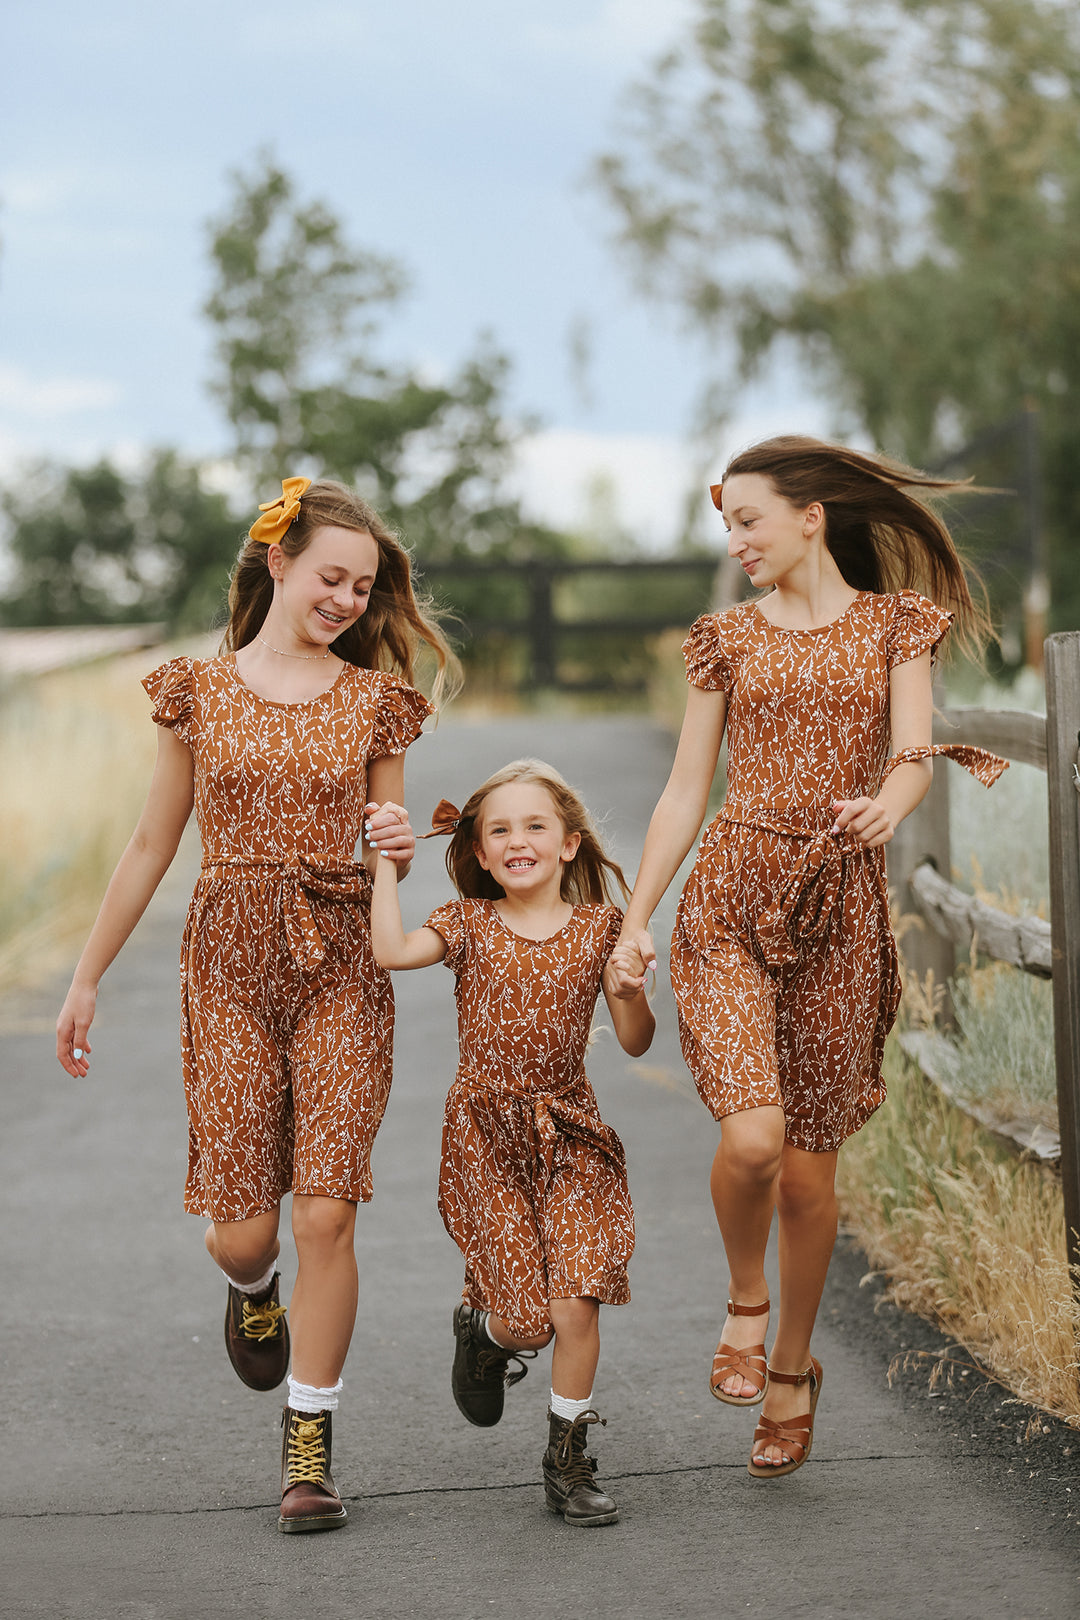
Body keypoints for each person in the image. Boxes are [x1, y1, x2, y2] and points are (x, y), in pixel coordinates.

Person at [55, 476, 458, 1533]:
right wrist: (87, 975)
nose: (348, 600)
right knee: (243, 1233)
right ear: (277, 562)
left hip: (341, 965)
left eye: (365, 588)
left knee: (330, 1205)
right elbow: (152, 844)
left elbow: (391, 845)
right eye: (332, 577)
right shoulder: (194, 689)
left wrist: (396, 851)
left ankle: (309, 1443)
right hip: (227, 961)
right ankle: (253, 1284)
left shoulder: (378, 702)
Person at [609, 436, 1006, 1480]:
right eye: (727, 524)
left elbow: (914, 752)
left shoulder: (894, 626)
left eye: (749, 520)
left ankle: (791, 1369)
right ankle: (747, 1304)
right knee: (753, 1142)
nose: (737, 540)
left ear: (810, 517)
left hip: (840, 913)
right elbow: (687, 790)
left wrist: (891, 800)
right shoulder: (724, 641)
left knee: (807, 1177)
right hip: (731, 903)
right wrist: (637, 916)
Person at [370, 759, 654, 1526]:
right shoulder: (466, 922)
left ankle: (567, 1459)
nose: (517, 840)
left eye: (535, 826)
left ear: (569, 844)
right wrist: (384, 871)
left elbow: (634, 1042)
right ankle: (483, 1332)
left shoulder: (602, 930)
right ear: (481, 852)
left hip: (572, 1134)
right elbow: (392, 954)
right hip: (486, 1137)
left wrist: (629, 990)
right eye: (500, 830)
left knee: (577, 1303)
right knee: (528, 1320)